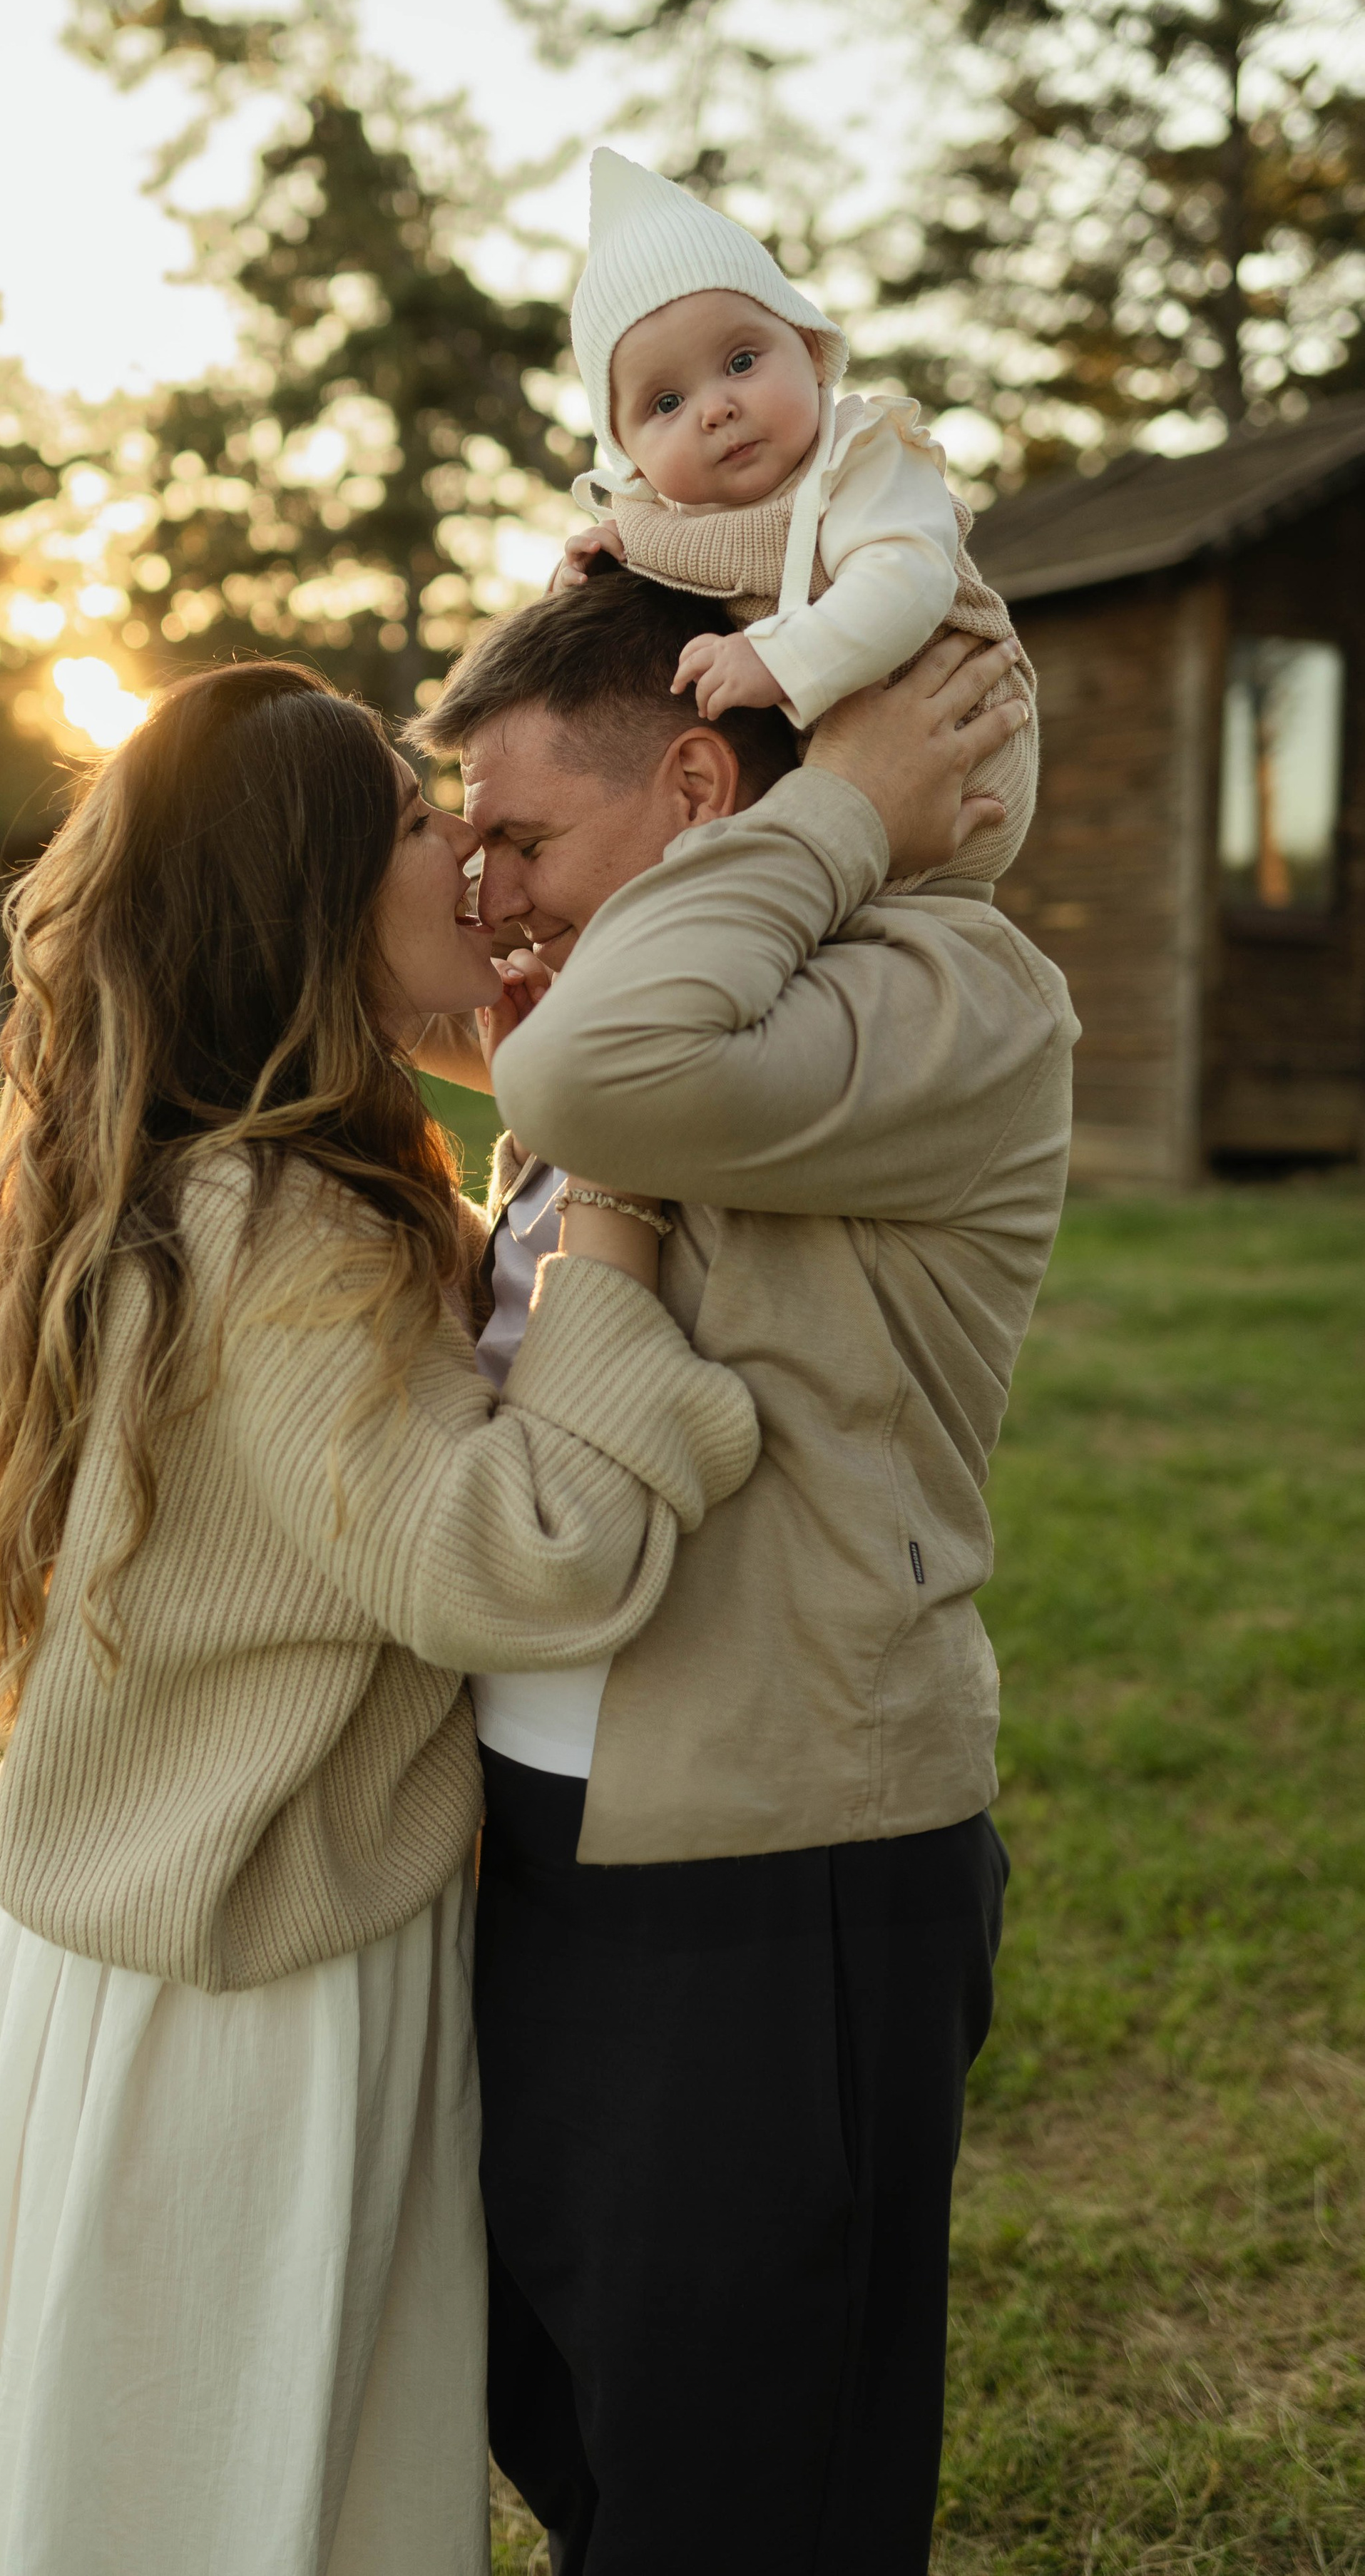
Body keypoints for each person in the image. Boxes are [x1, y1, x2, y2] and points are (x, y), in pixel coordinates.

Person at [0, 660, 760, 2576]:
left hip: (126, 1959)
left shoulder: (191, 1182)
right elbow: (519, 1555)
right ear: (321, 893)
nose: (478, 867)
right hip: (259, 1982)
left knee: (93, 2448)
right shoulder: (293, 1228)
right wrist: (613, 1217)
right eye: (430, 826)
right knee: (222, 2475)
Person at [409, 568, 1077, 2574]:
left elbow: (600, 1083)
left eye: (519, 837)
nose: (487, 896)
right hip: (553, 1848)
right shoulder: (672, 1001)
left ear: (706, 782)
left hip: (780, 1871)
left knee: (751, 2493)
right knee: (579, 2412)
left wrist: (850, 801)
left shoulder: (947, 989)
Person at [558, 146, 1036, 894]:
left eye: (742, 361)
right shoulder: (651, 520)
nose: (716, 408)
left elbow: (905, 579)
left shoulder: (863, 456)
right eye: (665, 404)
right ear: (627, 455)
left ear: (812, 350)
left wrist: (781, 657)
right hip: (820, 783)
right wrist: (587, 572)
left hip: (961, 751)